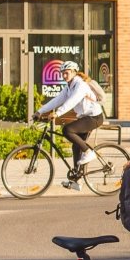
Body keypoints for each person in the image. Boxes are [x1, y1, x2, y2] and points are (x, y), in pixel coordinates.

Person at [35, 60, 104, 191]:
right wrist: (40, 111)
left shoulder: (81, 85)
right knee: (76, 146)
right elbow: (57, 100)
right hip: (85, 117)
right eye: (62, 73)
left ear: (73, 72)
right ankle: (77, 180)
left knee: (67, 130)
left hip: (94, 117)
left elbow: (73, 101)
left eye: (66, 73)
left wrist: (58, 113)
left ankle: (89, 152)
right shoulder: (68, 87)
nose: (64, 76)